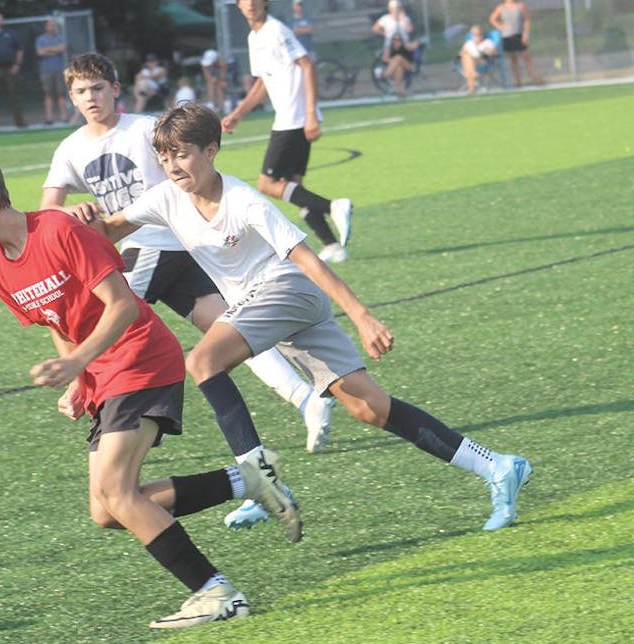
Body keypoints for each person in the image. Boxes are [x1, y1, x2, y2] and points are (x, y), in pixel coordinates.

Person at [99, 102, 535, 534]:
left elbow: (308, 260)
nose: (172, 166)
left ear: (211, 151)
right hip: (269, 305)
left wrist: (362, 317)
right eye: (164, 156)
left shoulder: (245, 201)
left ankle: (259, 479)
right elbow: (111, 228)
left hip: (286, 290)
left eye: (182, 154)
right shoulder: (165, 198)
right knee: (368, 407)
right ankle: (498, 466)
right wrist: (85, 223)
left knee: (202, 361)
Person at [0, 150, 300, 629]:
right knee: (106, 511)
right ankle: (245, 480)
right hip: (105, 376)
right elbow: (56, 320)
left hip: (142, 357)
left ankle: (217, 593)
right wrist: (78, 377)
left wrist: (79, 360)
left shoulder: (61, 232)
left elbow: (122, 305)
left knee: (116, 491)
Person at [41, 53, 335, 532]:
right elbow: (50, 209)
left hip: (156, 246)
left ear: (117, 88)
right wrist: (75, 211)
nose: (90, 98)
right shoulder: (71, 148)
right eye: (80, 92)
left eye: (98, 88)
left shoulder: (142, 129)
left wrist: (77, 373)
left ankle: (84, 386)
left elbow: (187, 156)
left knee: (106, 322)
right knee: (228, 330)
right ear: (71, 97)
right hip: (159, 247)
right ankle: (305, 397)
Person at [222, 0, 353, 264]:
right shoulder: (254, 36)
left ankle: (333, 207)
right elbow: (262, 82)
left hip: (293, 120)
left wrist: (310, 113)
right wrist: (237, 114)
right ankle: (332, 245)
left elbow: (307, 65)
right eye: (244, 1)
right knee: (294, 186)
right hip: (289, 119)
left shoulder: (277, 30)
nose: (250, 5)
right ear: (238, 5)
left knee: (266, 184)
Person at [489, 0, 545, 87]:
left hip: (519, 35)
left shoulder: (520, 6)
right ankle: (518, 81)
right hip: (507, 36)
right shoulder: (501, 7)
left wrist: (526, 34)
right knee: (513, 59)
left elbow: (527, 20)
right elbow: (492, 19)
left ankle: (536, 78)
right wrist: (500, 26)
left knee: (527, 58)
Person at [35, 17, 70, 125]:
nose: (52, 27)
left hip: (60, 70)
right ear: (46, 27)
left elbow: (62, 48)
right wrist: (55, 49)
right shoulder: (41, 39)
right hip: (46, 71)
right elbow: (40, 52)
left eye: (53, 25)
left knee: (61, 94)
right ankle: (49, 118)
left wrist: (48, 50)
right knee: (48, 94)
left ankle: (64, 117)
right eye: (50, 25)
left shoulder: (61, 37)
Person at [460, 25, 500, 94]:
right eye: (475, 34)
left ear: (483, 34)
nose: (477, 36)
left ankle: (471, 87)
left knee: (467, 61)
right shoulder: (470, 43)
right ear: (472, 35)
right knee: (467, 58)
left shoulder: (487, 42)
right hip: (470, 61)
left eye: (479, 34)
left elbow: (495, 52)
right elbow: (461, 54)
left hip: (482, 60)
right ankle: (472, 84)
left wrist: (487, 51)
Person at [381, 29, 417, 98]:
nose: (397, 41)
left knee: (398, 58)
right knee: (398, 68)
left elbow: (415, 45)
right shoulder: (389, 48)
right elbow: (384, 59)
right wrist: (394, 61)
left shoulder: (406, 46)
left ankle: (385, 76)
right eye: (395, 39)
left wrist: (396, 60)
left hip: (409, 67)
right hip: (395, 69)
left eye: (399, 39)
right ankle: (400, 92)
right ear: (392, 40)